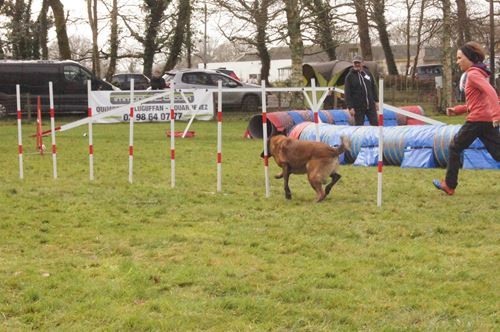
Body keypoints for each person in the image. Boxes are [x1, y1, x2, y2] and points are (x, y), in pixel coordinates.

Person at [433, 41, 500, 195]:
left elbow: (491, 92)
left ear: (469, 58)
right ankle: (449, 184)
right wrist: (458, 110)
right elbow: (477, 102)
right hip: (485, 120)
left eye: (459, 58)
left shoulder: (473, 74)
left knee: (454, 147)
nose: (457, 62)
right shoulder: (478, 74)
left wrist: (497, 114)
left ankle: (449, 185)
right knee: (498, 154)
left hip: (477, 120)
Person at [344, 54, 379, 126]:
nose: (357, 64)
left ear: (362, 63)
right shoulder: (349, 76)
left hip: (370, 105)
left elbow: (373, 87)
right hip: (358, 107)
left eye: (358, 63)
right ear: (353, 64)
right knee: (359, 125)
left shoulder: (368, 73)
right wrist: (350, 107)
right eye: (355, 63)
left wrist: (376, 101)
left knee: (375, 123)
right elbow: (347, 93)